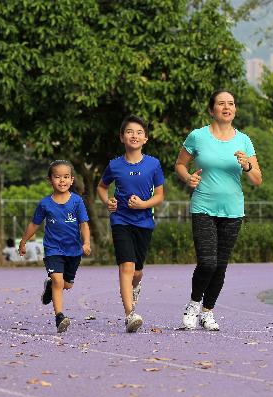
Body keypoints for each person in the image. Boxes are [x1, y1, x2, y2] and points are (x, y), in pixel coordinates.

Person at [174, 89, 262, 331]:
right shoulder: (198, 136)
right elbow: (180, 164)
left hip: (233, 210)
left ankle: (207, 311)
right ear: (212, 110)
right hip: (203, 206)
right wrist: (188, 177)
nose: (227, 107)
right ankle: (193, 304)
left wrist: (246, 166)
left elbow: (257, 179)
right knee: (208, 262)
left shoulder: (244, 140)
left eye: (231, 104)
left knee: (221, 265)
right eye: (221, 104)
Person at [97, 115, 165, 333]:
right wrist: (108, 201)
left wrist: (144, 203)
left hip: (144, 223)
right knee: (126, 267)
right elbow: (101, 187)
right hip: (121, 221)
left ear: (145, 138)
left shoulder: (153, 164)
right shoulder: (114, 165)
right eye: (129, 132)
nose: (134, 136)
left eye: (139, 132)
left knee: (137, 272)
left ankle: (135, 287)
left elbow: (160, 196)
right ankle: (130, 314)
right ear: (122, 137)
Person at [18, 160, 91, 333]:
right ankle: (59, 317)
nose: (62, 181)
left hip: (73, 250)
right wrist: (23, 241)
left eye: (66, 177)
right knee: (58, 280)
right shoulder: (45, 204)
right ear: (50, 180)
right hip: (53, 249)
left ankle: (50, 287)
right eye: (57, 177)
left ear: (72, 180)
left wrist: (86, 242)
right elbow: (34, 224)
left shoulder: (77, 201)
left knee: (66, 284)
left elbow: (84, 223)